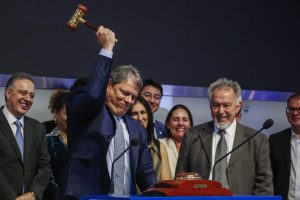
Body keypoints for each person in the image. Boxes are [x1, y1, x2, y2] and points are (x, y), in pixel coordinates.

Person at [60, 26, 156, 198]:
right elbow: (92, 94)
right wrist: (106, 49)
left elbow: (146, 175)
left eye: (133, 97)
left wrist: (156, 193)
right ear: (109, 85)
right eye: (124, 93)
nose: (128, 101)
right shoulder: (87, 111)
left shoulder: (137, 130)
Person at [176, 77, 273, 195]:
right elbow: (179, 180)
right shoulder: (192, 136)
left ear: (238, 107)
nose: (221, 111)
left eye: (226, 105)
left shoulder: (257, 140)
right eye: (216, 105)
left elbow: (264, 186)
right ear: (210, 106)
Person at [0, 73, 51, 200]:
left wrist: (34, 193)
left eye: (32, 95)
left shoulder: (38, 128)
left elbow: (44, 166)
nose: (28, 99)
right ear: (8, 93)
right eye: (23, 93)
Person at [128, 96, 172, 181]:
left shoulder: (159, 146)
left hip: (154, 193)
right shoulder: (126, 144)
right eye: (134, 113)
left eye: (143, 112)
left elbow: (166, 181)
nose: (140, 118)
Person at [269, 92, 300, 200]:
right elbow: (269, 177)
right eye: (291, 109)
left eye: (299, 109)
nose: (295, 113)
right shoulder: (275, 140)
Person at [44, 89, 70, 200]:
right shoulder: (47, 141)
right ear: (55, 112)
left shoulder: (84, 141)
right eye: (67, 113)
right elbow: (46, 177)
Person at [160, 104, 193, 178]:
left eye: (185, 120)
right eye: (175, 120)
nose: (181, 123)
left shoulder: (197, 147)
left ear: (190, 125)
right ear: (168, 124)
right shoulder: (159, 144)